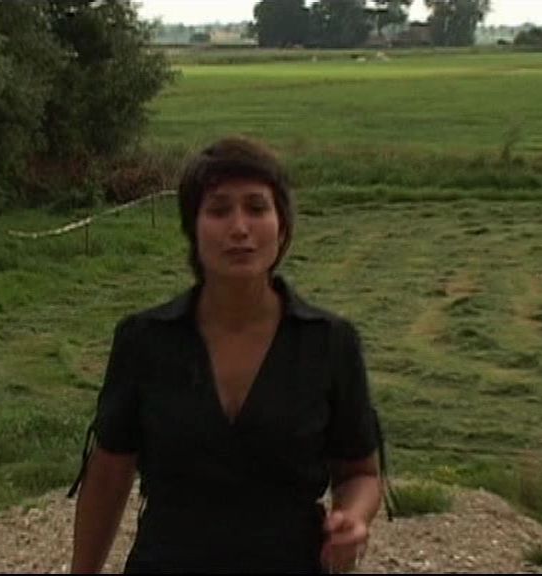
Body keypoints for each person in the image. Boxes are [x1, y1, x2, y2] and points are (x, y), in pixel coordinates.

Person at [68, 136, 387, 573]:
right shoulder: (145, 340)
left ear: (282, 226)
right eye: (219, 210)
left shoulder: (329, 343)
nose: (239, 228)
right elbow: (108, 476)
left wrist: (353, 517)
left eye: (257, 208)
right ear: (193, 229)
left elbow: (360, 473)